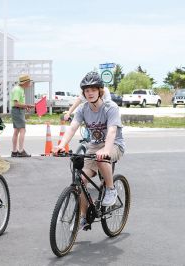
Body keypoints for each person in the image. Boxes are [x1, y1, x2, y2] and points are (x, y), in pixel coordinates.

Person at [53, 71, 125, 230]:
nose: (90, 93)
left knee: (101, 158)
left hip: (114, 145)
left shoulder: (110, 107)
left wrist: (106, 150)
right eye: (87, 90)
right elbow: (72, 128)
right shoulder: (83, 109)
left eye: (93, 89)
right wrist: (61, 145)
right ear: (83, 93)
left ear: (100, 90)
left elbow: (112, 131)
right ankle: (84, 217)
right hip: (94, 145)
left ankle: (111, 190)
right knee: (82, 181)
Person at [10, 74, 35, 157]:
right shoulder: (18, 90)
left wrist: (25, 106)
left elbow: (17, 103)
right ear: (26, 82)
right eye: (29, 82)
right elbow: (16, 103)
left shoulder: (19, 89)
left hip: (17, 110)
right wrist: (27, 105)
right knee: (22, 130)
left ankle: (14, 151)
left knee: (16, 131)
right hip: (17, 111)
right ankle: (20, 151)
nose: (30, 84)